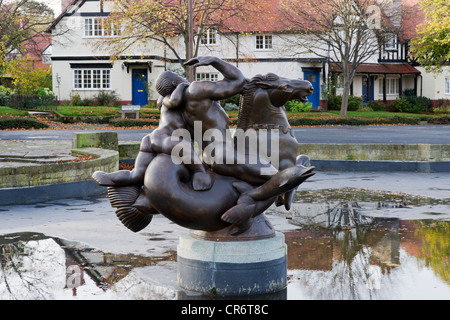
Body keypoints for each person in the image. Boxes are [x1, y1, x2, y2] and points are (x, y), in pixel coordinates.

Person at [92, 73, 212, 191]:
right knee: (183, 147)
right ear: (176, 83)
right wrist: (182, 86)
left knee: (137, 175)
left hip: (151, 138)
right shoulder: (169, 98)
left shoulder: (166, 102)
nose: (185, 80)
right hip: (165, 137)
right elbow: (175, 100)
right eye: (181, 78)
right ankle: (199, 172)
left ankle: (110, 178)